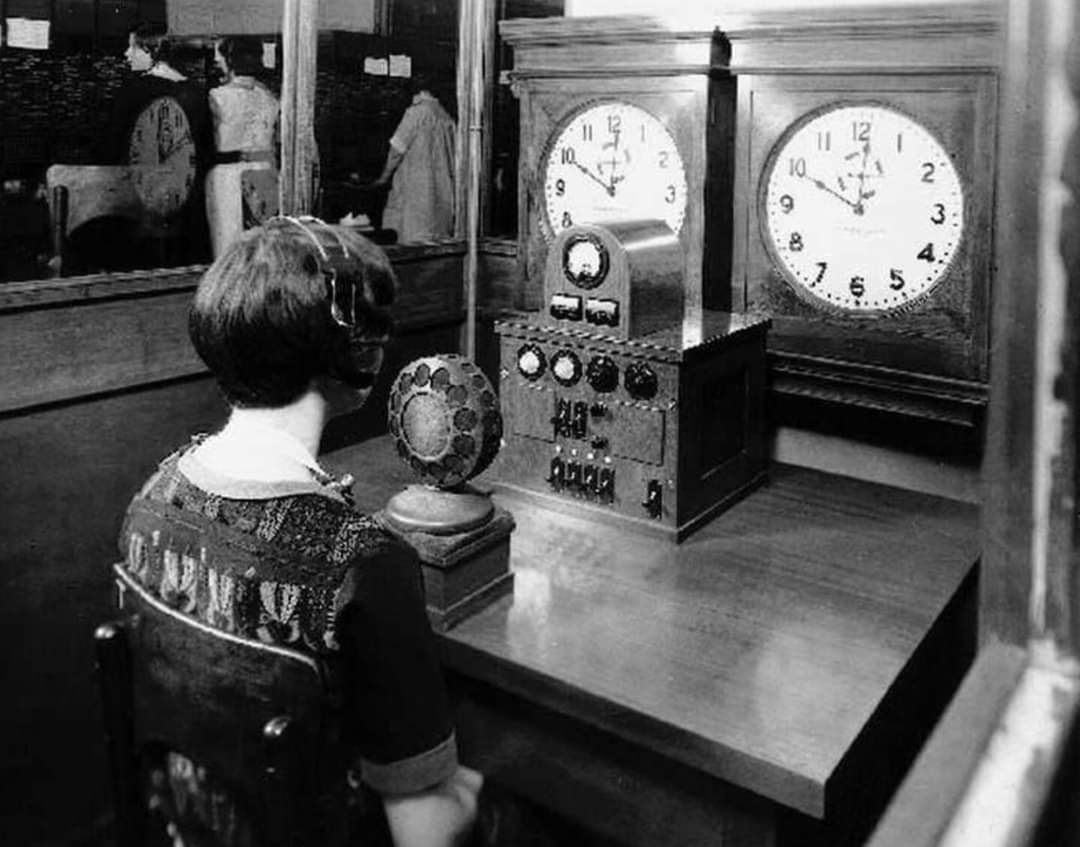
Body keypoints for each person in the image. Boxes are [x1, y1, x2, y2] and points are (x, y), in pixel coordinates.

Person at [117, 217, 481, 847]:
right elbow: (425, 835)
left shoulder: (148, 499)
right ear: (356, 350)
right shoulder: (365, 562)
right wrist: (470, 788)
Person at [205, 36, 280, 258]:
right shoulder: (270, 99)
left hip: (227, 177)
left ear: (230, 60)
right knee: (262, 246)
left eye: (220, 56)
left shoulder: (217, 97)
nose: (217, 61)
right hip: (265, 174)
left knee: (229, 245)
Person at [370, 75, 456, 243]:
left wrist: (383, 178)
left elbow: (397, 149)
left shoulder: (415, 113)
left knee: (411, 242)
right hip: (442, 195)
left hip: (416, 195)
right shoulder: (447, 117)